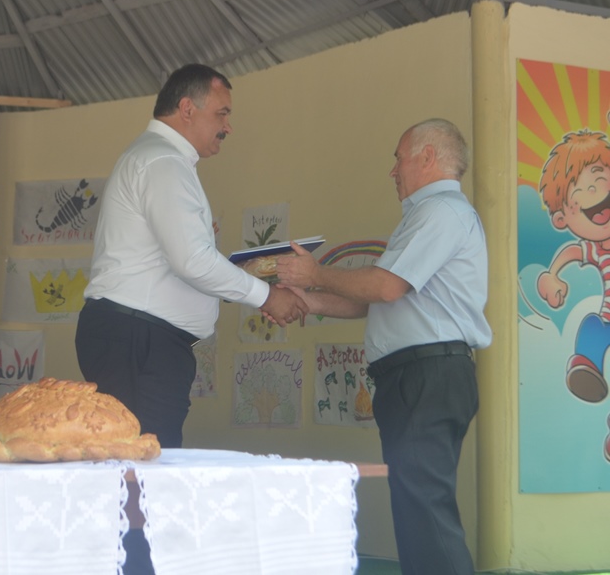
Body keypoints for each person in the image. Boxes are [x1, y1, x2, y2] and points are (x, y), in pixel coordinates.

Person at [274, 117, 491, 575]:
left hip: (428, 375)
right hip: (420, 376)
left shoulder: (441, 212)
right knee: (416, 514)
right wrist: (308, 300)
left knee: (425, 514)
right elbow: (374, 298)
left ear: (427, 157)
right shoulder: (427, 216)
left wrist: (315, 274)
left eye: (398, 158)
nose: (393, 171)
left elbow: (386, 287)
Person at [75, 63, 308, 451]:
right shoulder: (163, 161)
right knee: (143, 466)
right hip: (139, 338)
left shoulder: (158, 158)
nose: (228, 127)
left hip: (137, 336)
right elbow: (193, 262)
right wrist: (267, 296)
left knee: (139, 461)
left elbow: (181, 255)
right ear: (187, 109)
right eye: (222, 114)